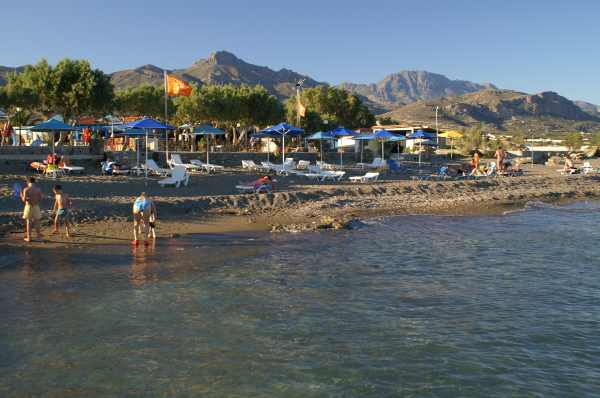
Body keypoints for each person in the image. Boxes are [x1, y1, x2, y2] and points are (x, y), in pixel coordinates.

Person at [20, 177, 43, 242]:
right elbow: (40, 198)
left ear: (28, 182)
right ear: (34, 182)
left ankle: (29, 238)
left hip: (28, 206)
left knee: (28, 222)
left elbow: (24, 200)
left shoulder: (26, 189)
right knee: (37, 222)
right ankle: (39, 237)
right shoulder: (38, 189)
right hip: (36, 206)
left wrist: (21, 196)